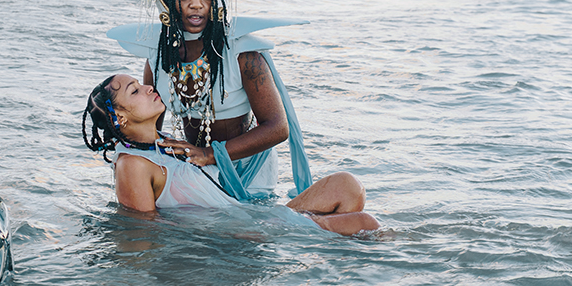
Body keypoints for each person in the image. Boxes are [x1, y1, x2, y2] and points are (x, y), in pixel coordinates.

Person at [107, 0, 312, 202]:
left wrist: (208, 154)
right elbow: (153, 124)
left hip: (247, 167)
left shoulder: (242, 54)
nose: (196, 4)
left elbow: (277, 128)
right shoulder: (157, 55)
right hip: (194, 166)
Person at [82, 75, 378, 235]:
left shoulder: (163, 144)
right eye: (135, 91)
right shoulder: (132, 164)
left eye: (142, 83)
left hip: (248, 215)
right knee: (365, 224)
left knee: (347, 186)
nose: (148, 88)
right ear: (119, 118)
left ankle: (333, 273)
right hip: (238, 233)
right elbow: (143, 235)